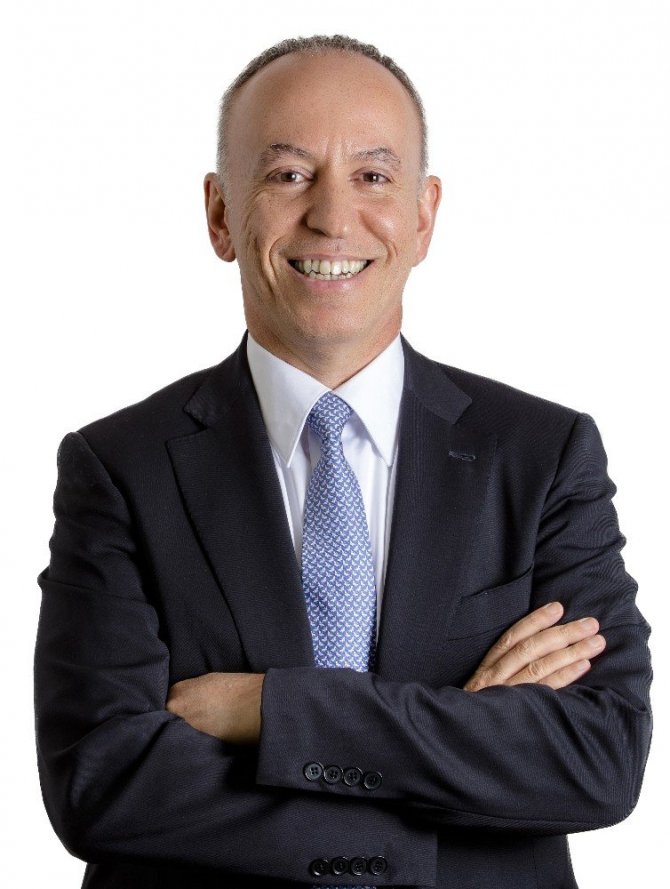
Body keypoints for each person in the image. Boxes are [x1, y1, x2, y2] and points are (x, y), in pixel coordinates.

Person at [35, 35, 652, 889]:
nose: (332, 216)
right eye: (289, 174)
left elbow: (599, 756)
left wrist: (273, 710)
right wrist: (454, 744)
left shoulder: (542, 456)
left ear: (423, 216)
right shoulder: (118, 467)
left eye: (372, 176)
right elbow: (102, 781)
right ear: (220, 214)